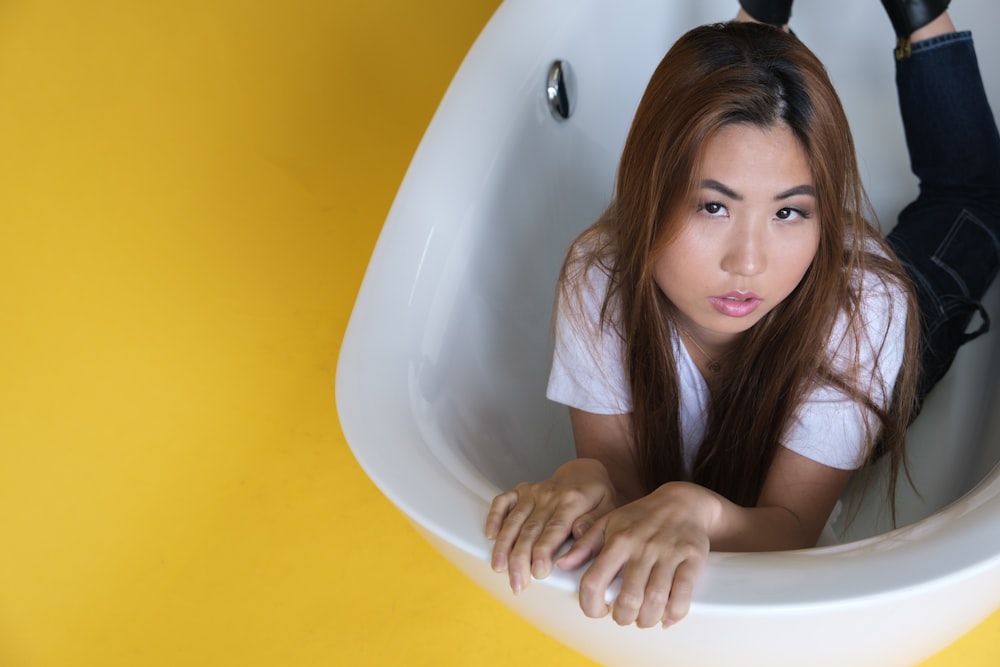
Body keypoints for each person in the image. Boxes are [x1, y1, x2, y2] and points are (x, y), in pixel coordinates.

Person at [484, 0, 1000, 631]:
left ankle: (920, 16)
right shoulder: (601, 275)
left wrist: (697, 511)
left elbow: (790, 528)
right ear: (652, 190)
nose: (749, 264)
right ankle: (763, 21)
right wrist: (583, 478)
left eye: (789, 212)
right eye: (712, 207)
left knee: (974, 201)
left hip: (847, 310)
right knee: (750, 91)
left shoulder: (869, 308)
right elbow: (619, 474)